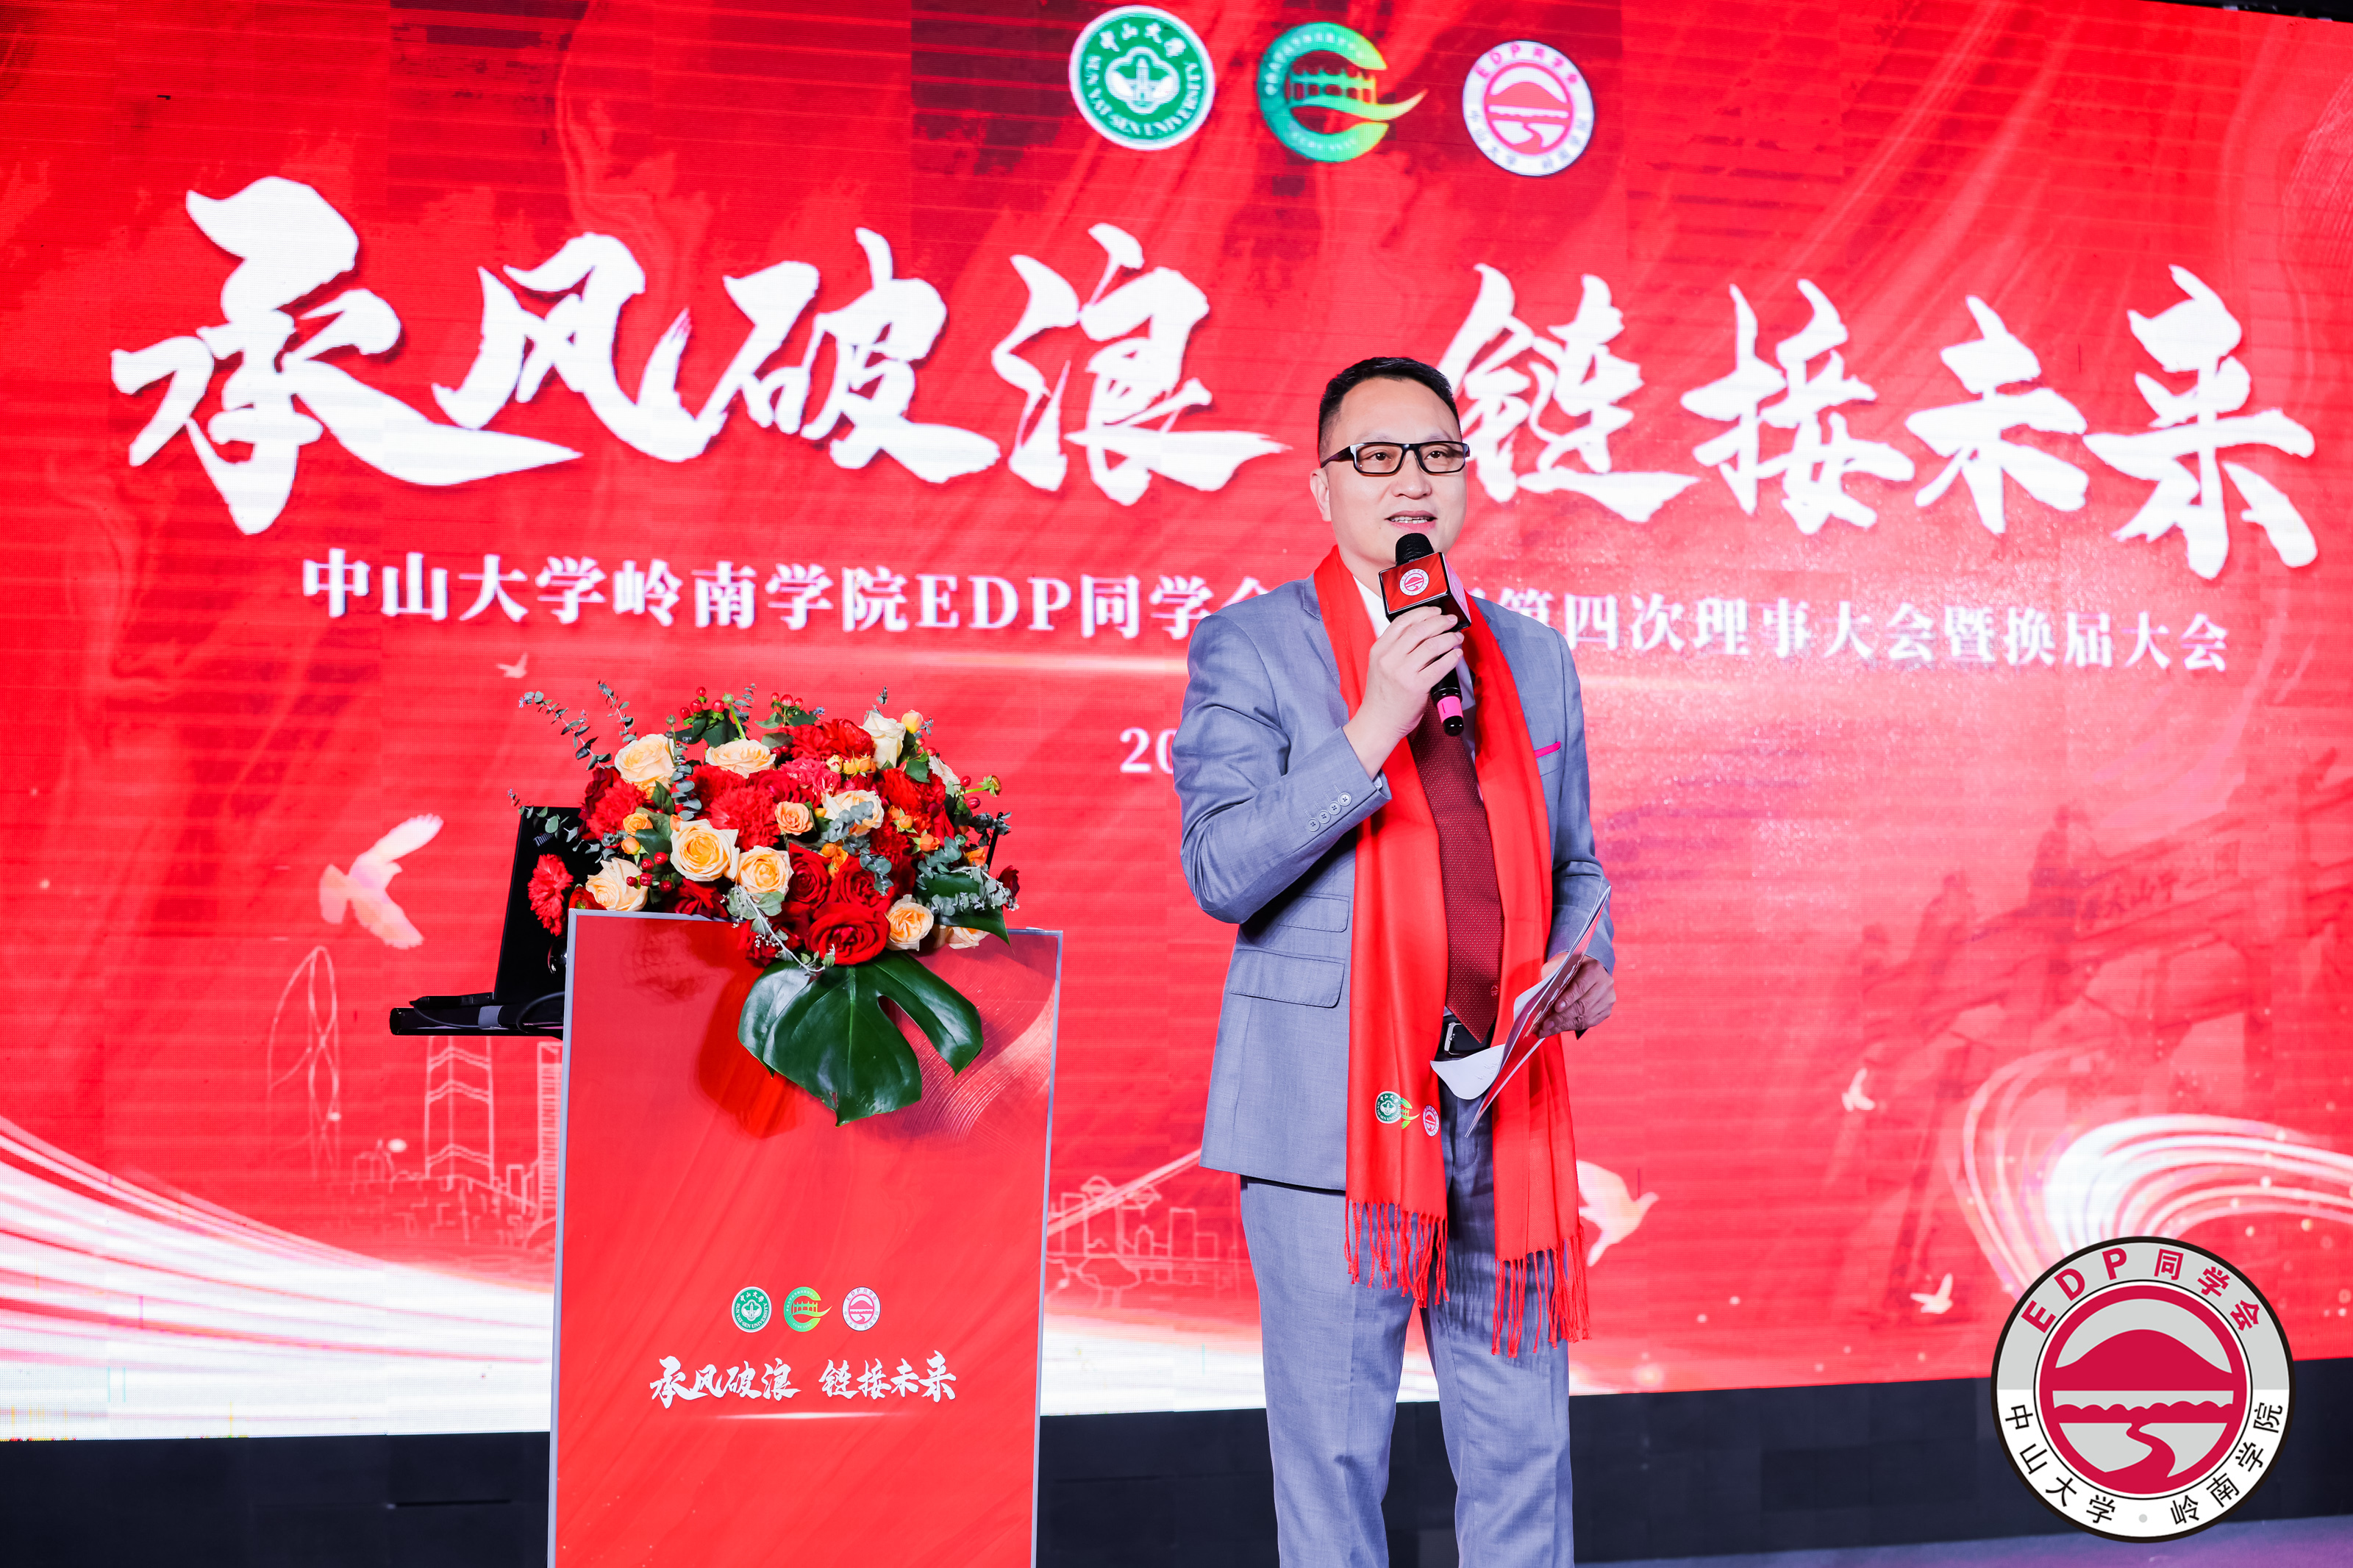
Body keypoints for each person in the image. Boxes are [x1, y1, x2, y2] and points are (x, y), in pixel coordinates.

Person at [1171, 356, 1615, 1566]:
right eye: (1375, 457)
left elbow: (1577, 864)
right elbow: (1220, 866)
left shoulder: (1531, 655)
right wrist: (1373, 723)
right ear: (1323, 488)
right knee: (1333, 1460)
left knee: (1527, 1453)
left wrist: (1586, 962)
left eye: (1437, 454)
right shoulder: (1249, 648)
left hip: (1502, 1101)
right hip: (1332, 1117)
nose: (1410, 480)